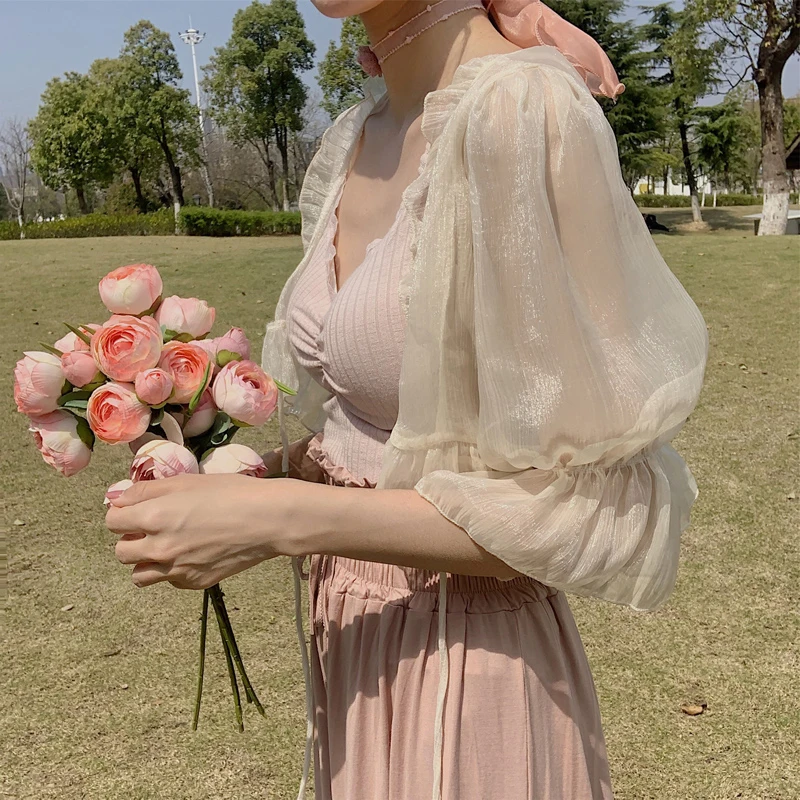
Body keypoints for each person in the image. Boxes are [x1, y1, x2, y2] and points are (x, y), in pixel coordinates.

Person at [107, 1, 709, 798]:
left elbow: (575, 500)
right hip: (358, 658)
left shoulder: (522, 114)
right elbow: (386, 435)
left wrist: (276, 518)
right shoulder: (359, 133)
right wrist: (244, 475)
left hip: (472, 678)